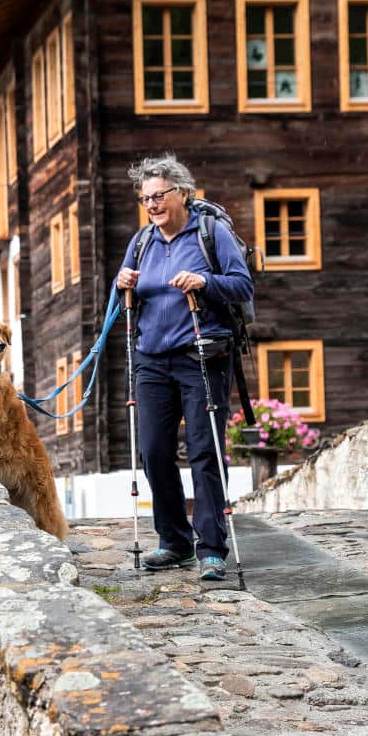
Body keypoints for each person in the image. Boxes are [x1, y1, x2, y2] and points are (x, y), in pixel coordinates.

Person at [116, 154, 253, 581]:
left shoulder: (211, 234)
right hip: (151, 360)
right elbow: (123, 300)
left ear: (183, 193)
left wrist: (204, 281)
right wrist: (120, 284)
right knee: (154, 451)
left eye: (159, 196)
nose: (152, 205)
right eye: (145, 199)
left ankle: (211, 548)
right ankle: (174, 542)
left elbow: (242, 285)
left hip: (201, 356)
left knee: (204, 450)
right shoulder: (142, 242)